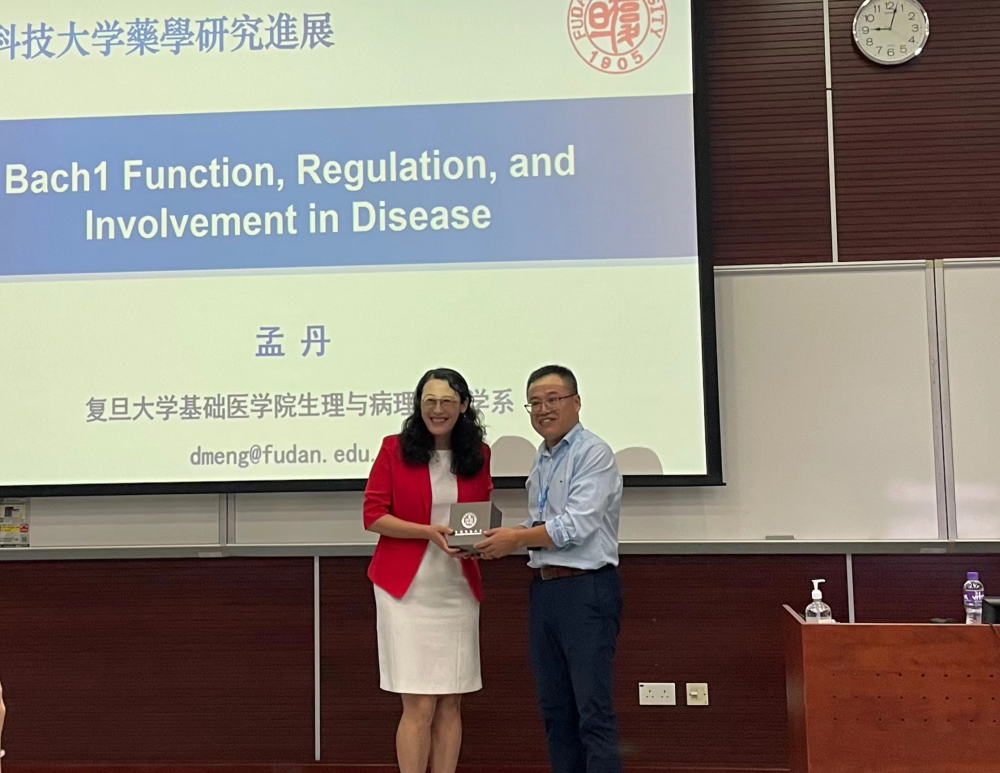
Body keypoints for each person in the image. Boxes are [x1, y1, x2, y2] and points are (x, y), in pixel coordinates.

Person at [476, 365, 623, 773]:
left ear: (576, 401)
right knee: (556, 712)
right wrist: (495, 539)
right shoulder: (543, 456)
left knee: (592, 711)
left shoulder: (593, 452)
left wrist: (515, 539)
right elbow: (541, 521)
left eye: (553, 399)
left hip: (586, 590)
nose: (543, 409)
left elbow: (575, 526)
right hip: (546, 591)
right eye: (535, 403)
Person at [363, 368, 493, 773]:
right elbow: (373, 515)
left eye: (447, 401)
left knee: (451, 700)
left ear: (464, 406)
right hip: (406, 590)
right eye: (429, 401)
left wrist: (483, 542)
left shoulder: (478, 453)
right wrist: (427, 532)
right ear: (419, 405)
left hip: (457, 586)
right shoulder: (394, 449)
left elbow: (479, 512)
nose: (437, 410)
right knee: (418, 702)